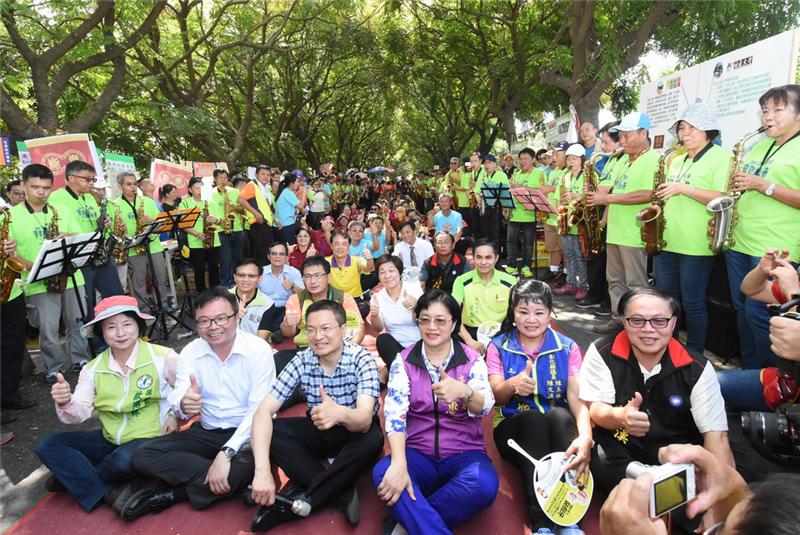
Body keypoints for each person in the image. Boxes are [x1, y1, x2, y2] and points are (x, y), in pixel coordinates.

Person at [580, 287, 732, 531]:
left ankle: (656, 487)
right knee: (593, 450)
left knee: (702, 505)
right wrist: (620, 417)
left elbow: (717, 436)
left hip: (676, 458)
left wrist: (718, 501)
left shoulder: (697, 368)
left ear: (674, 323)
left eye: (659, 321)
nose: (648, 329)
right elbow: (596, 411)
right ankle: (650, 482)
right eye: (637, 320)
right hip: (623, 454)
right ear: (623, 321)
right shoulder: (601, 352)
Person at [125, 287, 276, 521]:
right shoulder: (191, 351)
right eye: (204, 321)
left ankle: (173, 494)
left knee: (250, 462)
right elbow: (178, 398)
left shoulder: (258, 350)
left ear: (237, 316)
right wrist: (184, 405)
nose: (213, 327)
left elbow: (258, 411)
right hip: (208, 431)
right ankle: (227, 479)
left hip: (248, 435)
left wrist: (227, 453)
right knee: (143, 455)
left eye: (220, 318)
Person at [34, 296, 178, 512]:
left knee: (120, 462)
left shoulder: (163, 356)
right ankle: (103, 491)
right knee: (48, 446)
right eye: (111, 327)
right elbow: (79, 413)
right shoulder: (92, 368)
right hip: (110, 438)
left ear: (139, 326)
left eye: (127, 324)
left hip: (151, 437)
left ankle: (75, 478)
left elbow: (187, 390)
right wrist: (65, 401)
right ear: (102, 332)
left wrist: (175, 414)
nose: (121, 333)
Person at [249, 300, 383, 531]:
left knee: (373, 438)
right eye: (311, 329)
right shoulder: (302, 359)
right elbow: (263, 411)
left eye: (325, 328)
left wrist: (340, 413)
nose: (317, 336)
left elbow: (362, 419)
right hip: (320, 428)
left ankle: (304, 501)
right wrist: (261, 471)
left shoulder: (361, 359)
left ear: (343, 330)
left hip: (354, 431)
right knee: (273, 432)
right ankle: (340, 488)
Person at [373, 290, 498, 535]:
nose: (432, 327)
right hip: (417, 454)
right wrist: (399, 463)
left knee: (484, 484)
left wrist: (465, 391)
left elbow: (485, 405)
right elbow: (395, 415)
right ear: (417, 321)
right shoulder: (404, 361)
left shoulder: (472, 360)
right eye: (424, 319)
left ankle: (408, 524)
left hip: (464, 453)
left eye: (441, 320)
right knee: (383, 473)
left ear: (454, 324)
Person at [487, 280, 592, 534]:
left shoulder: (567, 347)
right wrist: (512, 385)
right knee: (534, 420)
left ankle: (569, 520)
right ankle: (541, 523)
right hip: (514, 430)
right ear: (513, 313)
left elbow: (576, 398)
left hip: (558, 428)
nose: (530, 319)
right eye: (523, 312)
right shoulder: (498, 345)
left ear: (549, 314)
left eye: (539, 312)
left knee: (558, 415)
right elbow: (497, 397)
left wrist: (586, 436)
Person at [726, 84, 800, 369]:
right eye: (765, 111)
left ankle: (772, 381)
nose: (768, 117)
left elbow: (768, 187)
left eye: (777, 110)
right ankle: (750, 372)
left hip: (775, 249)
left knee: (761, 315)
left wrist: (763, 185)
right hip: (741, 242)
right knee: (742, 309)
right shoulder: (760, 145)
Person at [653, 103, 732, 353]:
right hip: (668, 242)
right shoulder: (676, 160)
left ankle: (695, 356)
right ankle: (670, 350)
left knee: (693, 303)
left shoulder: (722, 157)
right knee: (668, 302)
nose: (684, 133)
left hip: (697, 245)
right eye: (681, 128)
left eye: (691, 128)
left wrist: (685, 189)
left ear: (708, 130)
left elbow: (722, 196)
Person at [9, 164, 91, 384]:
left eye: (46, 187)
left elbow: (81, 238)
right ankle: (54, 368)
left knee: (77, 323)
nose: (41, 192)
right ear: (23, 185)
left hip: (70, 277)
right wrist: (30, 266)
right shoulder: (10, 216)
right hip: (38, 281)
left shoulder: (60, 210)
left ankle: (80, 360)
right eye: (35, 187)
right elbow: (9, 254)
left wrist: (68, 235)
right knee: (48, 329)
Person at [587, 112, 661, 334]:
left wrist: (606, 198)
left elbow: (648, 193)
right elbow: (610, 189)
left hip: (634, 233)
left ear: (643, 133)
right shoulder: (621, 161)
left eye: (627, 136)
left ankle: (638, 325)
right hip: (615, 232)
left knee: (636, 284)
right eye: (621, 136)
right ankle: (619, 320)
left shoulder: (654, 159)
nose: (622, 141)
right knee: (615, 280)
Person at [48, 160, 124, 316]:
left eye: (93, 180)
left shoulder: (90, 198)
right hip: (79, 259)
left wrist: (106, 223)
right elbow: (59, 233)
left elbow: (97, 222)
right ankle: (92, 337)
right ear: (71, 178)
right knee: (86, 303)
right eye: (87, 179)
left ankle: (119, 329)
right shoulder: (55, 199)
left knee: (116, 296)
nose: (91, 184)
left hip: (100, 254)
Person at [577, 121, 622, 314]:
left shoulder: (621, 161)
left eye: (606, 142)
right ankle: (597, 295)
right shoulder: (611, 160)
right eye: (602, 143)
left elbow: (613, 192)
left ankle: (607, 301)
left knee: (609, 264)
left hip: (609, 213)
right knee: (596, 257)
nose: (603, 147)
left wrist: (603, 220)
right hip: (599, 209)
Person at [280, 256, 365, 353]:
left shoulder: (343, 298)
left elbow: (359, 328)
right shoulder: (296, 299)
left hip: (337, 350)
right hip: (306, 349)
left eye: (317, 275)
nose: (312, 281)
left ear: (328, 277)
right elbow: (288, 333)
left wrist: (346, 352)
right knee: (279, 358)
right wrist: (287, 324)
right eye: (308, 276)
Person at [452, 238, 516, 354]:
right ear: (473, 258)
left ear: (496, 258)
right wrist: (470, 341)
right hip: (470, 334)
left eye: (488, 257)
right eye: (479, 257)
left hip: (502, 333)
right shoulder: (461, 281)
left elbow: (519, 313)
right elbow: (452, 315)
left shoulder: (510, 281)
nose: (483, 262)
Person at [117, 171, 167, 312]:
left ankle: (162, 306)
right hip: (133, 248)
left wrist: (152, 221)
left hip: (154, 246)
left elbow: (162, 223)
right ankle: (144, 310)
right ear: (120, 185)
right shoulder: (115, 204)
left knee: (160, 279)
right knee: (138, 283)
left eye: (134, 184)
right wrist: (121, 228)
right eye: (128, 184)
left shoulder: (147, 201)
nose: (132, 187)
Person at [1, 209, 31, 420]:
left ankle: (9, 394)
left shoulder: (3, 217)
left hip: (9, 290)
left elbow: (11, 249)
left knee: (12, 345)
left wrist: (10, 248)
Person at [369, 255, 423, 372]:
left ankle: (394, 371)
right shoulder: (377, 297)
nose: (387, 276)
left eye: (391, 271)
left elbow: (423, 321)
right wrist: (374, 315)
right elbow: (378, 328)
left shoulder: (413, 289)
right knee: (382, 339)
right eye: (382, 272)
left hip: (419, 344)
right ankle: (400, 371)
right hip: (396, 348)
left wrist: (415, 306)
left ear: (399, 272)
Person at [554, 143, 589, 301]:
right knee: (569, 255)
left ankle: (583, 285)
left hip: (582, 221)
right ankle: (570, 283)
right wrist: (558, 214)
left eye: (574, 159)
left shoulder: (589, 174)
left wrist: (574, 196)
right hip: (566, 220)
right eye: (568, 159)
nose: (570, 162)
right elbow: (558, 197)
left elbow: (591, 195)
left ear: (582, 159)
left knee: (580, 255)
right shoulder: (564, 175)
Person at [506, 147, 546, 277]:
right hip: (515, 214)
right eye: (521, 159)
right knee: (511, 241)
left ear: (533, 160)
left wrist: (522, 187)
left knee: (528, 244)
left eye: (526, 159)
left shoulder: (539, 173)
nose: (522, 162)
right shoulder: (516, 173)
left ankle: (526, 266)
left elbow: (541, 191)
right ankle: (511, 266)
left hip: (530, 214)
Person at [179, 177, 221, 294]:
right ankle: (202, 294)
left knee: (214, 268)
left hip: (213, 240)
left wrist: (216, 219)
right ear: (190, 190)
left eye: (202, 188)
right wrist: (197, 234)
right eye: (197, 188)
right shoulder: (185, 203)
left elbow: (220, 219)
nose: (200, 190)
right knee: (199, 269)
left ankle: (216, 293)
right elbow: (182, 224)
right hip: (195, 241)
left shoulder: (210, 201)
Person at [257, 241, 304, 339]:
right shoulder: (260, 272)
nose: (277, 257)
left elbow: (304, 295)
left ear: (286, 257)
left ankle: (275, 333)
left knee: (289, 316)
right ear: (268, 256)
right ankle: (275, 333)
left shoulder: (293, 272)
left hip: (287, 307)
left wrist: (292, 286)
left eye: (281, 254)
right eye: (274, 254)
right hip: (266, 308)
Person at [230, 259, 281, 341]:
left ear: (259, 278)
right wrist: (230, 315)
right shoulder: (223, 298)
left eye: (251, 276)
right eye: (241, 275)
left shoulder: (268, 304)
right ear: (235, 277)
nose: (246, 279)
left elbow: (261, 340)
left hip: (253, 349)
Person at [540, 141, 568, 286]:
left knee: (565, 249)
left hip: (561, 216)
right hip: (550, 215)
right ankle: (554, 270)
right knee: (552, 247)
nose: (554, 157)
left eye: (558, 154)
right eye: (553, 154)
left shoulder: (568, 171)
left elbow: (562, 188)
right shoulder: (554, 171)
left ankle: (566, 274)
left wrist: (549, 188)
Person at [212, 169, 245, 288]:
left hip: (236, 229)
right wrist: (220, 221)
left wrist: (234, 208)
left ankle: (239, 283)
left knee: (238, 259)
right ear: (215, 179)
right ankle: (225, 284)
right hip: (220, 230)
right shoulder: (210, 193)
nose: (223, 180)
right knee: (225, 260)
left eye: (225, 178)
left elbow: (243, 209)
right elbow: (207, 212)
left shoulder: (235, 191)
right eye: (220, 178)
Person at [239, 165, 275, 266]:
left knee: (266, 252)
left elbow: (264, 207)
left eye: (268, 175)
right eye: (262, 174)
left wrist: (274, 219)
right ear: (256, 175)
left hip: (265, 224)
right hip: (257, 224)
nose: (266, 177)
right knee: (260, 254)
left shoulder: (265, 188)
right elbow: (241, 199)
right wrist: (255, 213)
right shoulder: (252, 185)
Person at [326, 230, 374, 300]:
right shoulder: (326, 262)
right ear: (331, 246)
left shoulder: (357, 260)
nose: (340, 247)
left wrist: (369, 258)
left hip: (355, 298)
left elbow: (368, 268)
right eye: (336, 244)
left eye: (344, 244)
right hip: (334, 300)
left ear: (349, 246)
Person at [476, 154, 509, 244]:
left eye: (489, 163)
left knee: (496, 233)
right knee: (485, 233)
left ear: (495, 164)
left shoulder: (502, 175)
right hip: (485, 207)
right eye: (485, 163)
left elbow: (506, 192)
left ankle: (496, 254)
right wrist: (480, 202)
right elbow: (476, 191)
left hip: (497, 207)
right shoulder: (482, 175)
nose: (487, 165)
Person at [275, 174, 301, 245]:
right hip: (286, 225)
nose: (298, 184)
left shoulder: (285, 191)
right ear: (291, 183)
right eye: (297, 182)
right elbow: (301, 207)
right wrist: (304, 192)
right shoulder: (288, 192)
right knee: (289, 247)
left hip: (282, 225)